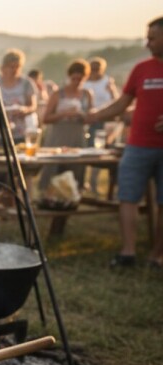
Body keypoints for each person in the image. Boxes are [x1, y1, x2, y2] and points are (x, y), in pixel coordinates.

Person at [87, 17, 163, 268]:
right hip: (137, 145)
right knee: (128, 196)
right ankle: (127, 252)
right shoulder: (141, 69)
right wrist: (95, 116)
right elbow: (122, 103)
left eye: (152, 38)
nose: (147, 43)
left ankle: (157, 255)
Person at [39, 59, 94, 191]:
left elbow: (91, 118)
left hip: (78, 135)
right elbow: (46, 118)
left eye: (80, 79)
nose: (77, 82)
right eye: (74, 79)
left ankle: (75, 193)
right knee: (53, 168)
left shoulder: (87, 94)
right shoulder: (58, 94)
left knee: (76, 167)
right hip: (58, 136)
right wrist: (64, 114)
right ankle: (48, 193)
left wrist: (81, 115)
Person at [84, 56, 121, 193]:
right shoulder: (85, 83)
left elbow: (116, 101)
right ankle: (89, 182)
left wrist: (112, 90)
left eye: (97, 69)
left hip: (108, 122)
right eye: (92, 68)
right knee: (92, 151)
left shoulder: (107, 82)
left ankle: (106, 185)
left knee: (108, 152)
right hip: (92, 122)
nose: (95, 71)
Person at [0, 49, 38, 145]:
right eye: (11, 67)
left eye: (17, 67)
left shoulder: (26, 83)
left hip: (20, 133)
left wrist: (24, 110)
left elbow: (33, 106)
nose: (14, 70)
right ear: (3, 67)